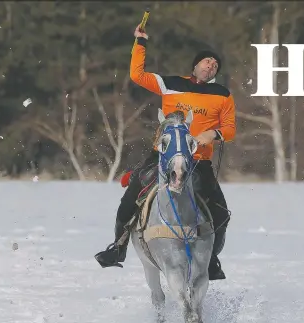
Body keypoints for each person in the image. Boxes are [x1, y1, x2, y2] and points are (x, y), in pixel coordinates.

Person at [94, 24, 236, 281]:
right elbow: (137, 75)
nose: (211, 66)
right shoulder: (171, 84)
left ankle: (211, 259)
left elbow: (230, 129)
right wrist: (140, 43)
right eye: (206, 61)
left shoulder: (222, 94)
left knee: (221, 213)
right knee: (129, 200)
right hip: (162, 157)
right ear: (194, 66)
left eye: (215, 65)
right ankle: (119, 245)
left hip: (198, 161)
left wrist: (211, 135)